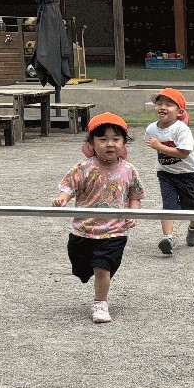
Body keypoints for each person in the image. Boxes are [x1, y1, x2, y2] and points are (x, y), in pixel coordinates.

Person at [53, 111, 144, 325]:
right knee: (81, 269)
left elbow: (135, 195)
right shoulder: (83, 168)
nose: (109, 144)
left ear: (124, 143)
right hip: (84, 230)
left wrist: (133, 214)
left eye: (115, 139)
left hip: (114, 231)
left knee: (102, 266)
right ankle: (87, 272)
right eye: (103, 139)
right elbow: (68, 187)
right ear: (92, 143)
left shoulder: (129, 170)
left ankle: (100, 303)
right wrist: (63, 198)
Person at [144, 87, 194, 256]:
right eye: (159, 104)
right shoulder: (151, 129)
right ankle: (168, 238)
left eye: (169, 104)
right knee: (168, 204)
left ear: (180, 111)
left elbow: (183, 153)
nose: (162, 107)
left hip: (186, 173)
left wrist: (160, 146)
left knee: (189, 206)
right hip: (166, 173)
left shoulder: (181, 129)